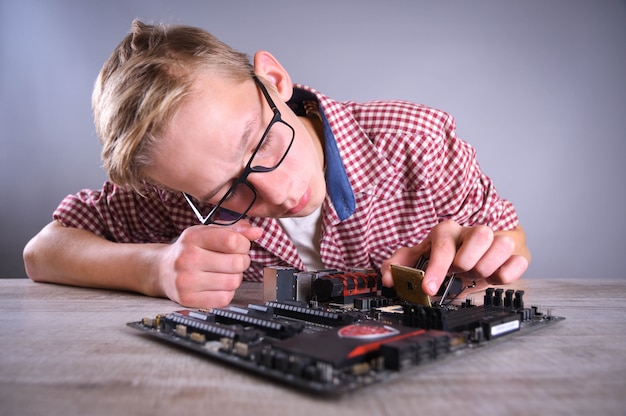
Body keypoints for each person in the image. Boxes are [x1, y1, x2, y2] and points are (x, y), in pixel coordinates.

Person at [23, 20, 530, 308]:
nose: (280, 193)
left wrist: (471, 259)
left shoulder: (412, 141)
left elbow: (512, 242)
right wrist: (153, 268)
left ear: (274, 79)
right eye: (225, 192)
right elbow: (42, 252)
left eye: (260, 141)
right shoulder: (170, 196)